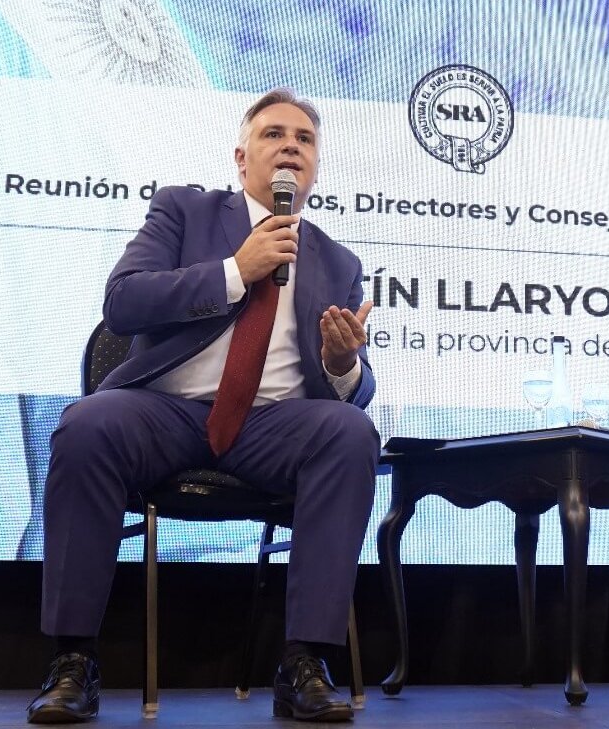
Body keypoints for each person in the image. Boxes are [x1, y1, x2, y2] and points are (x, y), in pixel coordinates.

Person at [26, 88, 378, 724]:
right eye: (274, 135)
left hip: (273, 426)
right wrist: (235, 271)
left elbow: (353, 383)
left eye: (304, 139)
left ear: (316, 167)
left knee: (351, 432)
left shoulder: (338, 262)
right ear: (242, 158)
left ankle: (304, 663)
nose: (291, 147)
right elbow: (124, 302)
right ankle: (72, 660)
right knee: (86, 425)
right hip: (165, 412)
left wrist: (340, 363)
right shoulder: (184, 212)